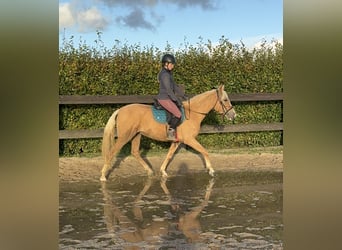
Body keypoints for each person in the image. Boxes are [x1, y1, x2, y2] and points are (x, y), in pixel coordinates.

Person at [156, 53, 186, 140]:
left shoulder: (168, 73)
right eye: (172, 64)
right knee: (178, 114)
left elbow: (175, 87)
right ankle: (170, 132)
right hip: (164, 98)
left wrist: (183, 95)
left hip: (167, 97)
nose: (173, 66)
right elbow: (169, 90)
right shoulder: (165, 75)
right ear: (166, 64)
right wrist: (176, 100)